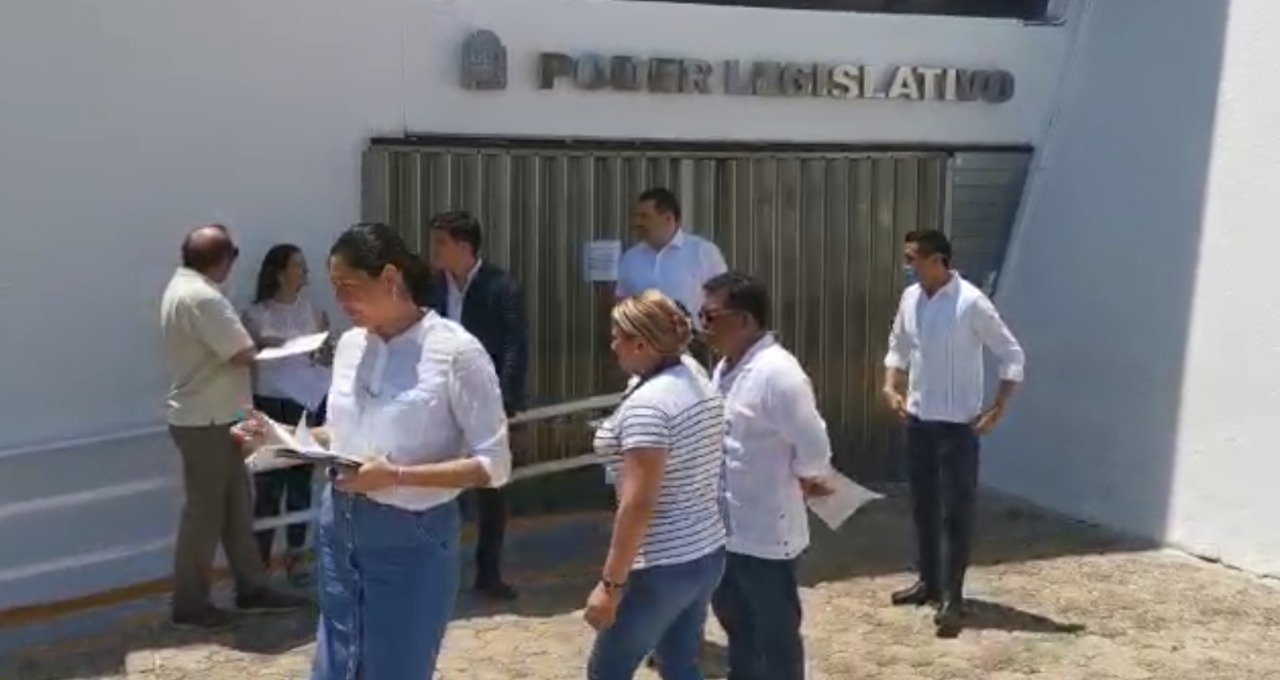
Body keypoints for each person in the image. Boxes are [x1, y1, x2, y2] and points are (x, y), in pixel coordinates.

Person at [239, 222, 512, 680]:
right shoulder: (350, 346)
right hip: (339, 528)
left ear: (389, 278)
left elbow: (494, 464)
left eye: (349, 288)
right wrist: (281, 437)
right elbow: (342, 434)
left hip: (412, 539)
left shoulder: (456, 352)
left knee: (395, 668)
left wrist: (398, 477)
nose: (341, 302)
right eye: (334, 289)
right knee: (336, 668)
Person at [160, 224, 306, 630]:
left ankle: (253, 586)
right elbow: (241, 351)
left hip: (220, 415)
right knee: (205, 515)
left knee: (237, 507)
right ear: (223, 259)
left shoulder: (181, 288)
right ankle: (190, 603)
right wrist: (282, 345)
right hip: (208, 420)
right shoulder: (204, 298)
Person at [883, 229, 1026, 638]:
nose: (908, 266)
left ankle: (953, 597)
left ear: (937, 260)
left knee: (955, 513)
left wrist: (998, 407)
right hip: (919, 420)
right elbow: (898, 346)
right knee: (923, 506)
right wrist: (890, 385)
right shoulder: (911, 299)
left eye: (913, 258)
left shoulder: (971, 303)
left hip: (957, 426)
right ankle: (928, 581)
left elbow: (1011, 355)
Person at [585, 290, 727, 680]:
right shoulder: (691, 374)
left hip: (661, 562)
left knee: (607, 671)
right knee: (680, 666)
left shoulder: (649, 407)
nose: (612, 346)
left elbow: (638, 504)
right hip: (705, 548)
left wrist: (610, 586)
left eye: (618, 337)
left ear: (642, 344)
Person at [700, 272, 834, 680]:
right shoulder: (726, 367)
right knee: (736, 624)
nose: (703, 326)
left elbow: (814, 445)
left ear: (744, 320)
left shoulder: (778, 374)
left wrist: (808, 477)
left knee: (774, 634)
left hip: (765, 533)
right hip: (726, 528)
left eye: (710, 317)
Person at [425, 210, 529, 602]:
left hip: (486, 401)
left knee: (491, 489)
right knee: (439, 484)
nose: (435, 250)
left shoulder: (500, 287)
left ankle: (488, 573)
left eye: (441, 243)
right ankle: (437, 572)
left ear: (464, 246)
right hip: (440, 401)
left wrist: (505, 403)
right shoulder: (432, 288)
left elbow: (515, 347)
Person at [241, 243, 331, 585]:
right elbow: (250, 358)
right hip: (270, 402)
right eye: (298, 266)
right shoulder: (255, 315)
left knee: (299, 484)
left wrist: (324, 352)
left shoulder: (313, 311)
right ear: (280, 272)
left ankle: (296, 557)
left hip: (304, 401)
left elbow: (322, 356)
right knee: (267, 487)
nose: (305, 272)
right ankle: (259, 565)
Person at [616, 188, 728, 366]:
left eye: (644, 216)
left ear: (668, 218)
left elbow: (723, 298)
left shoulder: (703, 252)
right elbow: (621, 301)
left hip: (691, 346)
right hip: (642, 347)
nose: (637, 223)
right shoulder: (630, 258)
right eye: (636, 216)